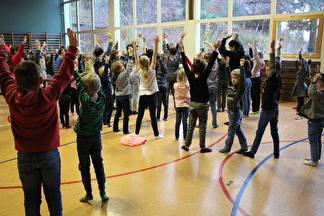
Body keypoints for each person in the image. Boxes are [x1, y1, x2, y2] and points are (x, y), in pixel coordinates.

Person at [0, 28, 77, 216]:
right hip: (49, 155)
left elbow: (2, 73)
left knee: (31, 199)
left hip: (25, 156)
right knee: (54, 195)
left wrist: (0, 50)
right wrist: (72, 49)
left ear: (16, 81)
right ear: (41, 80)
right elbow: (65, 75)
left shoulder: (11, 94)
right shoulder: (48, 95)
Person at [73, 71, 109, 202]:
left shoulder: (85, 99)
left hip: (83, 137)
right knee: (98, 163)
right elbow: (95, 87)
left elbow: (79, 85)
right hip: (96, 137)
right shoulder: (102, 99)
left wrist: (74, 70)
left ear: (87, 88)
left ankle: (88, 194)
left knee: (84, 166)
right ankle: (103, 192)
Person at [180, 39, 221, 153]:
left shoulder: (190, 75)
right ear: (203, 69)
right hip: (202, 105)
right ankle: (202, 147)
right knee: (202, 126)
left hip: (192, 104)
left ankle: (187, 145)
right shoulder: (204, 76)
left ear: (193, 68)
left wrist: (182, 52)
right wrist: (214, 50)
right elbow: (211, 62)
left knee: (191, 125)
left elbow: (184, 64)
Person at [243, 39, 282, 159]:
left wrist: (272, 50)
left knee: (260, 131)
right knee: (274, 132)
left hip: (267, 110)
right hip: (275, 109)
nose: (266, 70)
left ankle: (253, 152)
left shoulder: (273, 79)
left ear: (274, 70)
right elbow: (277, 63)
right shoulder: (278, 79)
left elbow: (274, 65)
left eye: (269, 69)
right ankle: (276, 152)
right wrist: (278, 50)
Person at [130, 36, 164, 139]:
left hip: (143, 94)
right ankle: (156, 134)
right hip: (151, 94)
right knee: (152, 115)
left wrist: (134, 47)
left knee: (140, 114)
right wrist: (156, 43)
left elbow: (136, 57)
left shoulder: (139, 69)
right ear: (148, 62)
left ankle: (136, 133)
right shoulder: (152, 69)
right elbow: (154, 55)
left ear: (140, 63)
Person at [219, 57, 248, 154]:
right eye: (232, 78)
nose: (233, 80)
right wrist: (227, 64)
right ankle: (244, 146)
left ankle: (227, 148)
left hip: (235, 112)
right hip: (230, 111)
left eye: (236, 78)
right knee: (238, 130)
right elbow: (228, 74)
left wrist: (242, 66)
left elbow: (243, 79)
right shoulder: (230, 84)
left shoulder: (240, 88)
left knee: (231, 131)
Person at [298, 73, 324, 166]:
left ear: (320, 84)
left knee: (313, 140)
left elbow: (312, 93)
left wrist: (313, 82)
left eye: (317, 82)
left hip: (315, 121)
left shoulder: (319, 95)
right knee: (317, 140)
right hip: (320, 120)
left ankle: (314, 160)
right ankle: (316, 157)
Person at [111, 59, 133, 134]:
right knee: (126, 113)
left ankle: (115, 127)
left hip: (118, 96)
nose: (123, 67)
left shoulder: (114, 76)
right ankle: (125, 130)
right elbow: (129, 68)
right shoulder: (123, 75)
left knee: (118, 112)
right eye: (121, 66)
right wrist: (130, 57)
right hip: (125, 96)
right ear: (117, 70)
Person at [291, 47, 309, 120]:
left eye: (299, 65)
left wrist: (300, 53)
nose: (298, 66)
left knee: (301, 100)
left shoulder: (304, 70)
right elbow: (299, 62)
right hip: (298, 86)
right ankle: (299, 110)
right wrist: (299, 55)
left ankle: (301, 112)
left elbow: (302, 62)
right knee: (299, 99)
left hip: (301, 86)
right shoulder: (300, 70)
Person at [249, 39, 265, 115]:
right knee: (256, 95)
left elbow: (255, 53)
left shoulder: (259, 61)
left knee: (254, 95)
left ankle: (255, 109)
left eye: (257, 55)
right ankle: (256, 109)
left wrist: (255, 44)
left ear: (259, 56)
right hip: (256, 78)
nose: (255, 56)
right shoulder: (260, 61)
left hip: (255, 79)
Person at [204, 50, 219, 128]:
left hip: (206, 87)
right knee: (213, 105)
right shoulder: (216, 66)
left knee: (204, 106)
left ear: (207, 59)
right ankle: (214, 122)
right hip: (213, 86)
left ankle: (203, 123)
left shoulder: (206, 66)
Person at [174, 69, 190, 140]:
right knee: (185, 120)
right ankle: (185, 136)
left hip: (178, 105)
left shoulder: (175, 85)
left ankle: (176, 135)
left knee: (178, 120)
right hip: (186, 104)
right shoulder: (187, 85)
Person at [99, 56, 113, 127]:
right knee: (110, 108)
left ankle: (104, 120)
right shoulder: (104, 78)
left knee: (106, 108)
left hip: (107, 95)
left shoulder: (106, 78)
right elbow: (105, 71)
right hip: (108, 95)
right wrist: (107, 63)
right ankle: (107, 121)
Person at [156, 53, 168, 121]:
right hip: (163, 87)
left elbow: (160, 60)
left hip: (161, 87)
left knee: (161, 102)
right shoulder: (160, 67)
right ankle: (165, 117)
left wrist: (157, 52)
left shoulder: (164, 68)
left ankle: (158, 117)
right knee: (163, 102)